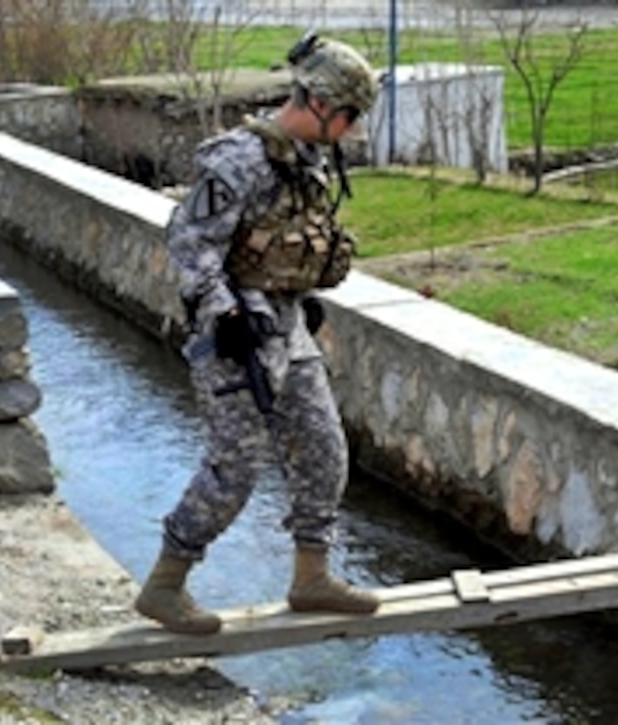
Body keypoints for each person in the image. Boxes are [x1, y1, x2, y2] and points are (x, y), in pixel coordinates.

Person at [135, 34, 381, 635]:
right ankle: (165, 586)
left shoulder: (306, 160)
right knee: (235, 468)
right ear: (322, 103)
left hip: (287, 328)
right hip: (234, 338)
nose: (350, 130)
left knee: (325, 451)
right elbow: (191, 244)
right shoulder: (239, 160)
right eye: (349, 117)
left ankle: (310, 578)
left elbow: (280, 242)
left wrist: (300, 298)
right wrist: (225, 316)